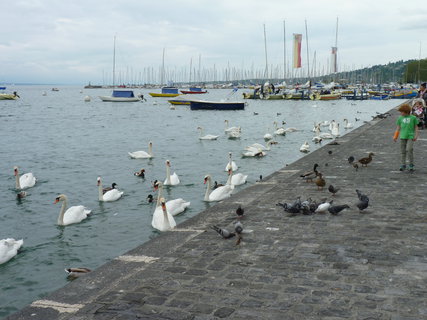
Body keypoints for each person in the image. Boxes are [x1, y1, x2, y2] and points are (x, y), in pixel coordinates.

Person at [393, 103, 419, 172]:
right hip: (402, 136)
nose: (401, 113)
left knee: (409, 149)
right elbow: (398, 128)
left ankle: (411, 164)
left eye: (402, 112)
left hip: (410, 136)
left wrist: (416, 135)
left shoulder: (413, 118)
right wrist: (395, 136)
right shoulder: (400, 118)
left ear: (406, 111)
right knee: (403, 151)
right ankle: (403, 164)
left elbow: (416, 127)